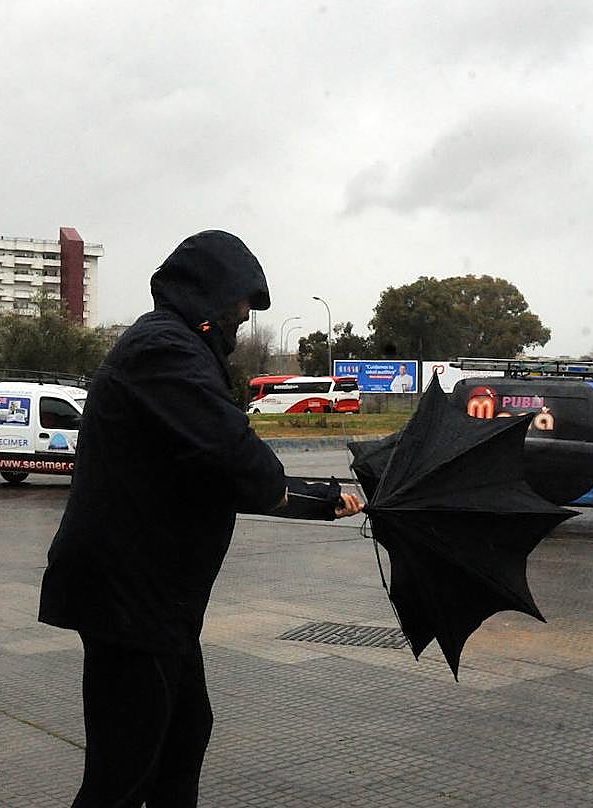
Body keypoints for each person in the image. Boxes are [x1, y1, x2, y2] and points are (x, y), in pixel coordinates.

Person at [38, 230, 362, 807]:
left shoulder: (174, 347)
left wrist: (318, 498)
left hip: (154, 599)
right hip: (129, 597)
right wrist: (296, 492)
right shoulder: (164, 352)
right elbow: (232, 455)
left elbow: (215, 470)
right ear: (209, 296)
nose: (243, 320)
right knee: (123, 772)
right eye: (241, 306)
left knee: (183, 737)